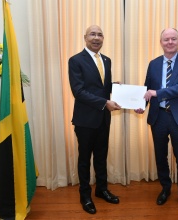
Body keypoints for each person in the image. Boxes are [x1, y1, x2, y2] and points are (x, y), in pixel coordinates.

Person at [135, 28, 178, 214]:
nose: (170, 42)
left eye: (173, 39)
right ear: (161, 42)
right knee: (160, 156)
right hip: (159, 117)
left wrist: (158, 93)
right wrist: (141, 105)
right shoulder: (153, 63)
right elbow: (147, 89)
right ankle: (165, 188)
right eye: (166, 39)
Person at [68, 25, 121, 215]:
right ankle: (85, 195)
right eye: (92, 34)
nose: (96, 38)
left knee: (101, 156)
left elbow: (101, 87)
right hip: (85, 120)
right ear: (85, 38)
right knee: (84, 159)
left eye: (99, 34)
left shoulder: (107, 60)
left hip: (103, 119)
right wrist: (105, 101)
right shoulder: (75, 60)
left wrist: (116, 89)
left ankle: (101, 189)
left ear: (103, 38)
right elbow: (79, 91)